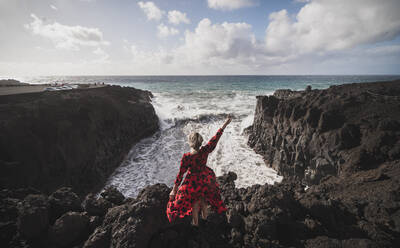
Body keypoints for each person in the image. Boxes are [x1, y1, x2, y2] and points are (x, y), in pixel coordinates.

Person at [166, 117, 232, 226]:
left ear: (190, 142)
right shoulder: (205, 150)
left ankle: (196, 222)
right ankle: (205, 218)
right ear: (200, 142)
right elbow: (215, 138)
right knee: (202, 198)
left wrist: (174, 190)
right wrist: (225, 123)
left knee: (194, 200)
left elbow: (180, 175)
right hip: (205, 178)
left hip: (192, 182)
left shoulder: (186, 157)